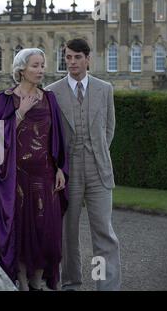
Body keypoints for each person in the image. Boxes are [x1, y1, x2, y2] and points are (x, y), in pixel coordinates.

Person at [0, 48, 69, 291]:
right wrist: (20, 112)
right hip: (16, 176)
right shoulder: (5, 98)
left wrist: (61, 168)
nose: (41, 70)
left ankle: (37, 279)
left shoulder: (49, 97)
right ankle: (22, 281)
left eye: (42, 65)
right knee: (20, 229)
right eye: (35, 65)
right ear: (21, 69)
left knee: (47, 230)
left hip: (45, 174)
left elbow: (57, 138)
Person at [46, 38, 121, 291]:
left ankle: (106, 286)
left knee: (104, 234)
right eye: (68, 57)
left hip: (99, 169)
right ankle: (71, 284)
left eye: (77, 57)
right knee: (68, 234)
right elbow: (50, 134)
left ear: (88, 59)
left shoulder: (105, 89)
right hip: (68, 172)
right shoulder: (52, 92)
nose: (72, 62)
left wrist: (97, 152)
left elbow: (109, 129)